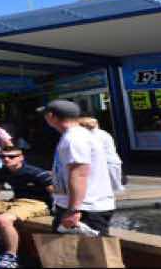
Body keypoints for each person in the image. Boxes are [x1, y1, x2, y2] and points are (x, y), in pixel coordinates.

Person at [39, 100, 115, 236]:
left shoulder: (74, 138)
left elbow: (79, 174)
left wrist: (73, 210)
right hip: (82, 206)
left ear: (51, 116)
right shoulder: (76, 135)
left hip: (85, 209)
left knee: (91, 255)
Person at [79, 117, 125, 192]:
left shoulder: (92, 135)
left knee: (107, 189)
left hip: (106, 164)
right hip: (113, 162)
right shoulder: (103, 133)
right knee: (112, 189)